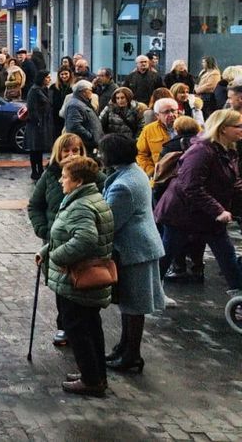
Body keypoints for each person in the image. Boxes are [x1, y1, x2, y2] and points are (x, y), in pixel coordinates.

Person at [39, 155, 114, 397]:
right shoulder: (86, 198)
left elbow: (85, 239)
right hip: (79, 279)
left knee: (79, 329)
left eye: (65, 177)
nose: (61, 180)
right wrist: (46, 251)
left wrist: (57, 257)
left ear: (78, 181)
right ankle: (94, 373)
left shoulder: (81, 205)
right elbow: (66, 233)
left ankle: (91, 380)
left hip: (77, 279)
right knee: (91, 327)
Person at [97, 133, 165, 374]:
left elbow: (110, 221)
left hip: (135, 251)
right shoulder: (132, 172)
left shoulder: (124, 185)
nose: (99, 155)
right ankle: (123, 347)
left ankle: (132, 355)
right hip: (139, 248)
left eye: (102, 152)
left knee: (134, 305)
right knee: (129, 304)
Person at [155, 109, 242, 295]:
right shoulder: (202, 151)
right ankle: (148, 293)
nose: (241, 129)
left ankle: (239, 294)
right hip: (181, 214)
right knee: (166, 255)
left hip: (206, 215)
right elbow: (191, 186)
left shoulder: (227, 150)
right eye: (238, 126)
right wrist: (219, 210)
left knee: (227, 256)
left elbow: (232, 183)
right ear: (223, 129)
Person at [28, 132, 102, 348]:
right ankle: (65, 326)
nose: (71, 155)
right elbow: (35, 205)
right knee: (60, 286)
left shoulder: (91, 174)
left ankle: (81, 330)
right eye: (66, 151)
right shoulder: (50, 175)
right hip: (55, 240)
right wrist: (43, 229)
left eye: (76, 151)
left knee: (82, 284)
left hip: (82, 243)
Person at [135, 97, 179, 180]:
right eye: (166, 112)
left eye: (173, 111)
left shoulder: (188, 125)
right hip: (161, 178)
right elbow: (141, 154)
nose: (171, 115)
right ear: (157, 115)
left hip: (183, 174)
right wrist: (151, 172)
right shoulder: (149, 130)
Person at [26, 72, 55, 180]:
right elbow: (31, 108)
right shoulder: (34, 90)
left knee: (39, 148)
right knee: (34, 149)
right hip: (36, 124)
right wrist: (37, 121)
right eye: (47, 78)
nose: (49, 79)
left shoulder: (44, 89)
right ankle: (35, 170)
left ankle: (40, 169)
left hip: (43, 122)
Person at [63, 81, 102, 152]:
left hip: (88, 144)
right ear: (83, 92)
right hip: (84, 144)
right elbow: (74, 126)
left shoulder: (82, 102)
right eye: (90, 90)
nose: (91, 93)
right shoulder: (74, 105)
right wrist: (90, 136)